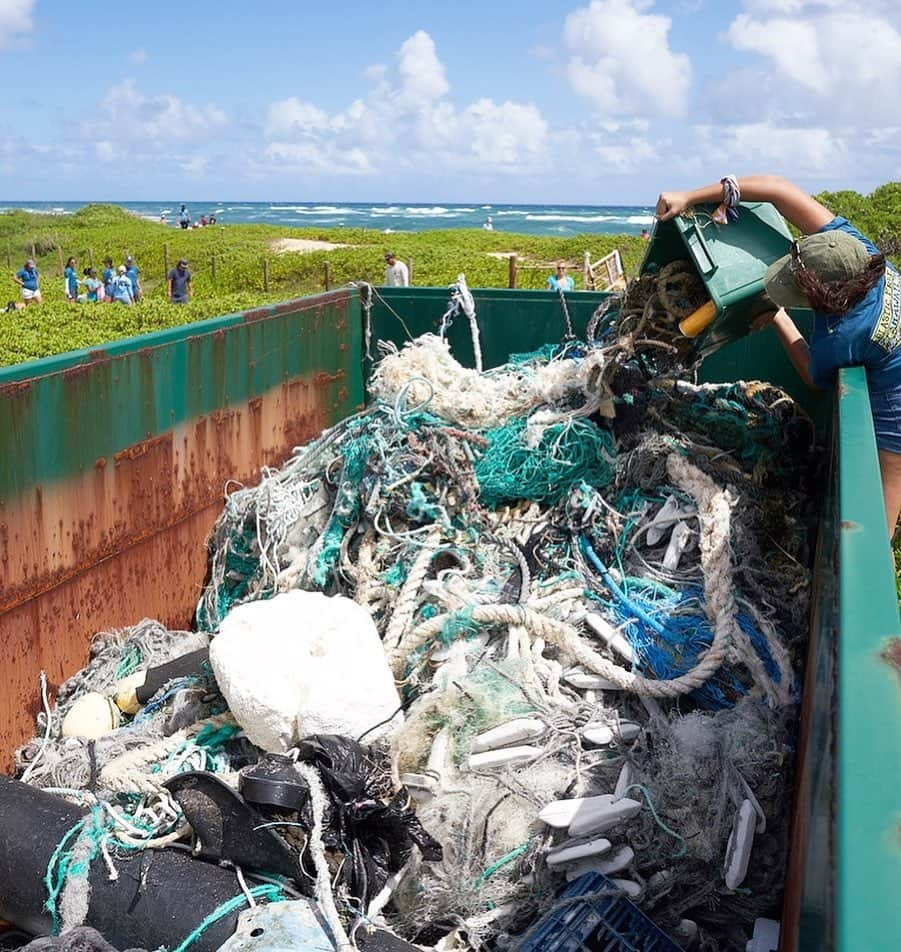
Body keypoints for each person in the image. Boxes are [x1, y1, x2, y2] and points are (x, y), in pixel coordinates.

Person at [657, 173, 901, 536]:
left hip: (893, 397)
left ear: (825, 299)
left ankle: (880, 556)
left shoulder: (846, 334)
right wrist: (690, 197)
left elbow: (812, 375)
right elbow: (777, 188)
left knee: (891, 473)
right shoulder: (854, 250)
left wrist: (779, 318)